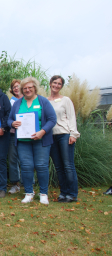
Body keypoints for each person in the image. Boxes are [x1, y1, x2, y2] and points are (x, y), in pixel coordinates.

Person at [8, 77, 56, 205]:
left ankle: (43, 194)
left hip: (41, 139)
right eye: (25, 88)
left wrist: (42, 131)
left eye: (30, 87)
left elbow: (52, 119)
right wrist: (13, 123)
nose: (27, 90)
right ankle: (29, 193)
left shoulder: (43, 101)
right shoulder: (18, 103)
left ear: (35, 88)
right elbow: (9, 120)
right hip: (23, 140)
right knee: (26, 166)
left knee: (41, 166)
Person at [48, 75, 80, 203]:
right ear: (50, 84)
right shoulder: (45, 101)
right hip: (51, 136)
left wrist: (73, 134)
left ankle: (72, 194)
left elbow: (72, 117)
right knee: (59, 167)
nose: (56, 85)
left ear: (61, 86)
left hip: (65, 135)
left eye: (59, 84)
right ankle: (63, 193)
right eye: (54, 83)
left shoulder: (65, 100)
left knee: (68, 165)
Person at [8, 79, 23, 194]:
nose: (16, 88)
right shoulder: (10, 101)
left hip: (27, 134)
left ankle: (28, 184)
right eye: (14, 87)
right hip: (13, 134)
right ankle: (15, 184)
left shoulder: (29, 100)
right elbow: (8, 118)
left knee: (26, 159)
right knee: (13, 159)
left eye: (18, 86)